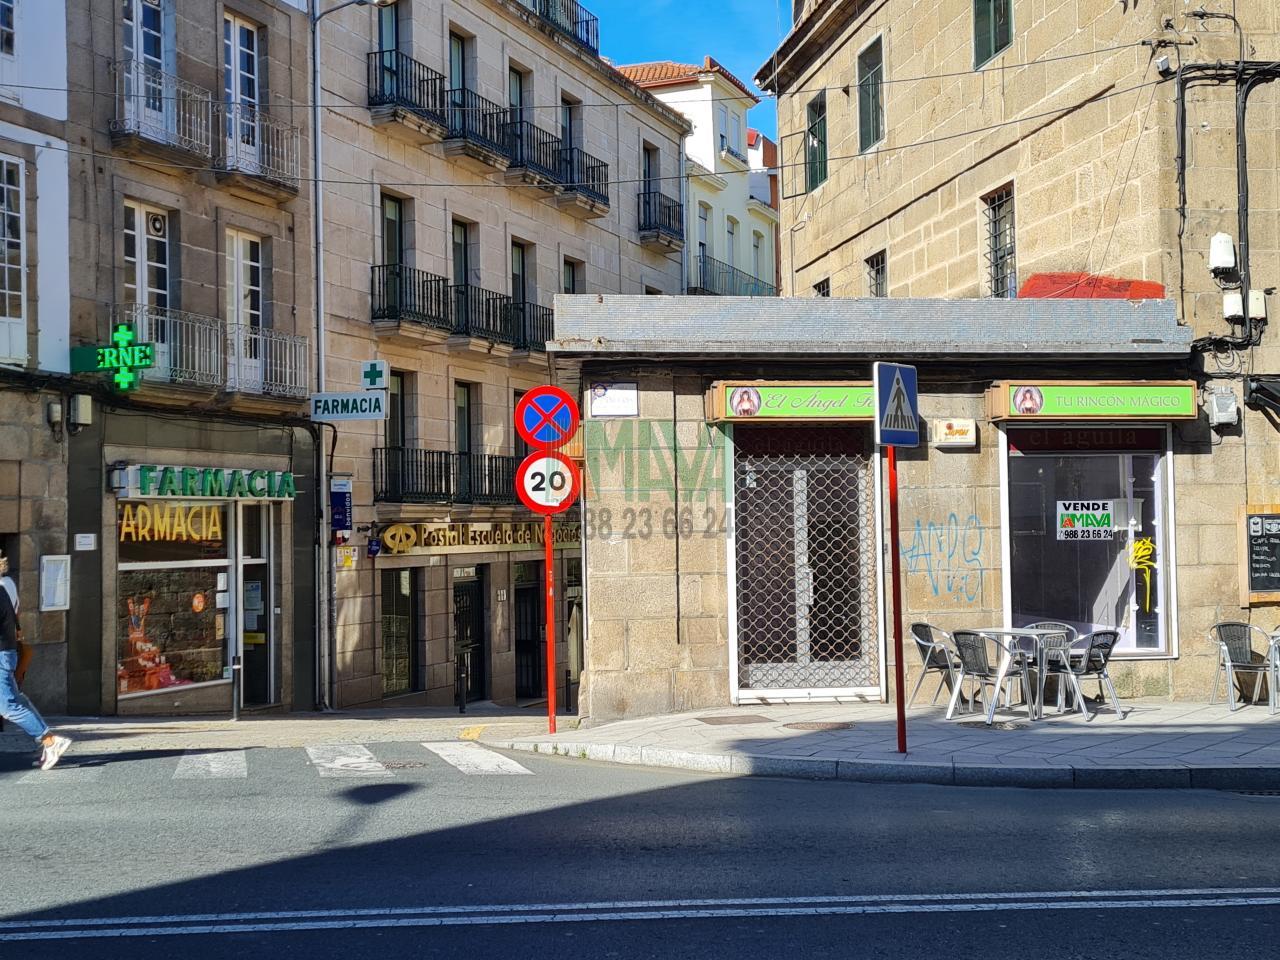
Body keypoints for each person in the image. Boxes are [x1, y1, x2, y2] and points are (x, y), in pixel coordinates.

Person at [0, 552, 71, 770]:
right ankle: (48, 742)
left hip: (1, 654)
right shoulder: (3, 588)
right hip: (6, 652)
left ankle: (50, 741)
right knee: (16, 701)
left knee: (8, 706)